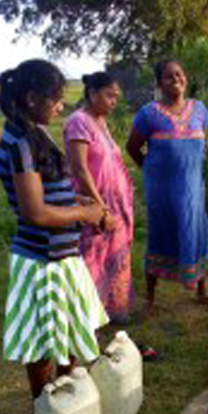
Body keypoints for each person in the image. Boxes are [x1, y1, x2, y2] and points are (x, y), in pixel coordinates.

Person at [0, 59, 108, 400]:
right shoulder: (20, 143)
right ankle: (47, 407)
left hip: (61, 257)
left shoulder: (31, 133)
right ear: (32, 98)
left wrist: (80, 203)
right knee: (44, 341)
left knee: (69, 329)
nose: (61, 106)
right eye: (55, 99)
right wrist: (85, 214)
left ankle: (65, 396)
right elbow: (36, 213)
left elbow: (47, 191)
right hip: (42, 260)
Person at [126, 60, 208, 308]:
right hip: (162, 192)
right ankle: (151, 299)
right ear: (158, 83)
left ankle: (201, 292)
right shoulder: (149, 113)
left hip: (194, 191)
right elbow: (132, 147)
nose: (175, 79)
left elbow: (198, 147)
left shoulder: (200, 111)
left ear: (186, 78)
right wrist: (152, 172)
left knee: (196, 234)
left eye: (179, 74)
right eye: (168, 76)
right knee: (160, 236)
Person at [63, 72, 134, 323]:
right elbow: (80, 169)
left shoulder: (100, 121)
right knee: (92, 260)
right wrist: (101, 209)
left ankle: (111, 311)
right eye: (109, 95)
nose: (114, 101)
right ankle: (87, 319)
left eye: (116, 96)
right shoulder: (78, 122)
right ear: (92, 93)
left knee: (113, 258)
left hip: (116, 204)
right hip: (94, 206)